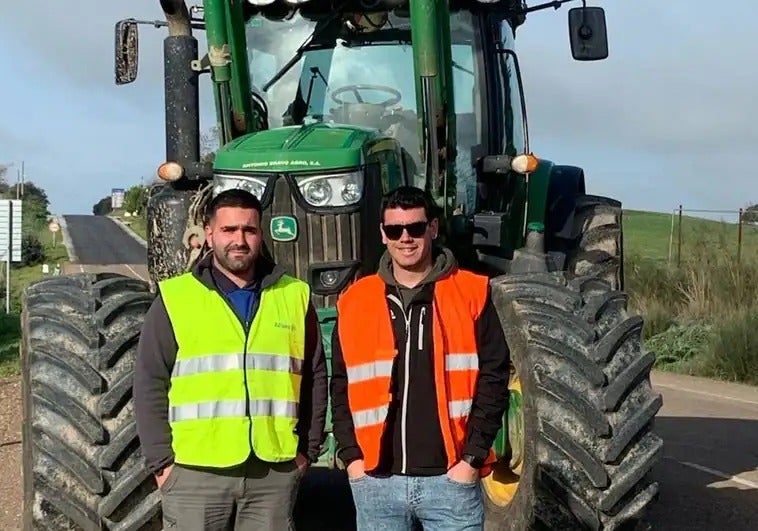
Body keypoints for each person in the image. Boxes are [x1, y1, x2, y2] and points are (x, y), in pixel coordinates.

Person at [134, 188, 328, 530]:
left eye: (249, 230)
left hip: (273, 474)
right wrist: (162, 463)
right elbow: (149, 382)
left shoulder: (294, 295)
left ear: (260, 234)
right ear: (209, 234)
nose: (239, 240)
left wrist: (307, 451)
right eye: (229, 230)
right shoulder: (176, 298)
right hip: (195, 474)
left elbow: (314, 376)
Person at [330, 186, 511, 530]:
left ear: (433, 228)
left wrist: (471, 460)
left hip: (450, 482)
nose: (405, 238)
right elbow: (341, 385)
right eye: (395, 230)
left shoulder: (471, 292)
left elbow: (494, 378)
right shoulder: (355, 300)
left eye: (415, 228)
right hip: (376, 483)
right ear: (383, 234)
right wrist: (352, 457)